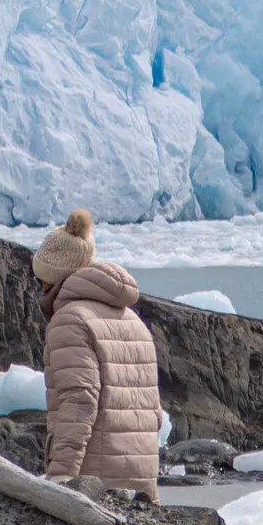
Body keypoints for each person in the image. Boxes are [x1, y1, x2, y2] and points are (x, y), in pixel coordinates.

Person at [27, 208, 163, 491]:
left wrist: (63, 474)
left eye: (40, 279)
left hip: (95, 481)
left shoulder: (70, 320)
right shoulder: (133, 320)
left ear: (52, 277)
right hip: (142, 481)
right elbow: (155, 412)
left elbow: (80, 400)